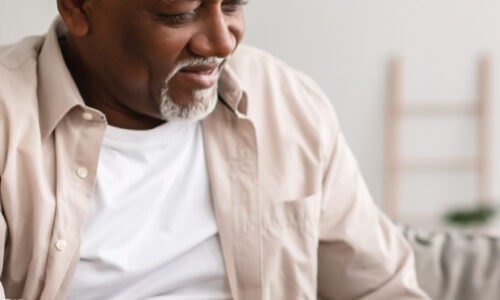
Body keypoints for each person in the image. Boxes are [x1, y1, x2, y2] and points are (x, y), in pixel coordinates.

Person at [0, 0, 429, 299]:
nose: (223, 44)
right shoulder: (9, 118)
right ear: (77, 6)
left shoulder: (288, 103)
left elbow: (381, 289)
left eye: (233, 4)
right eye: (179, 13)